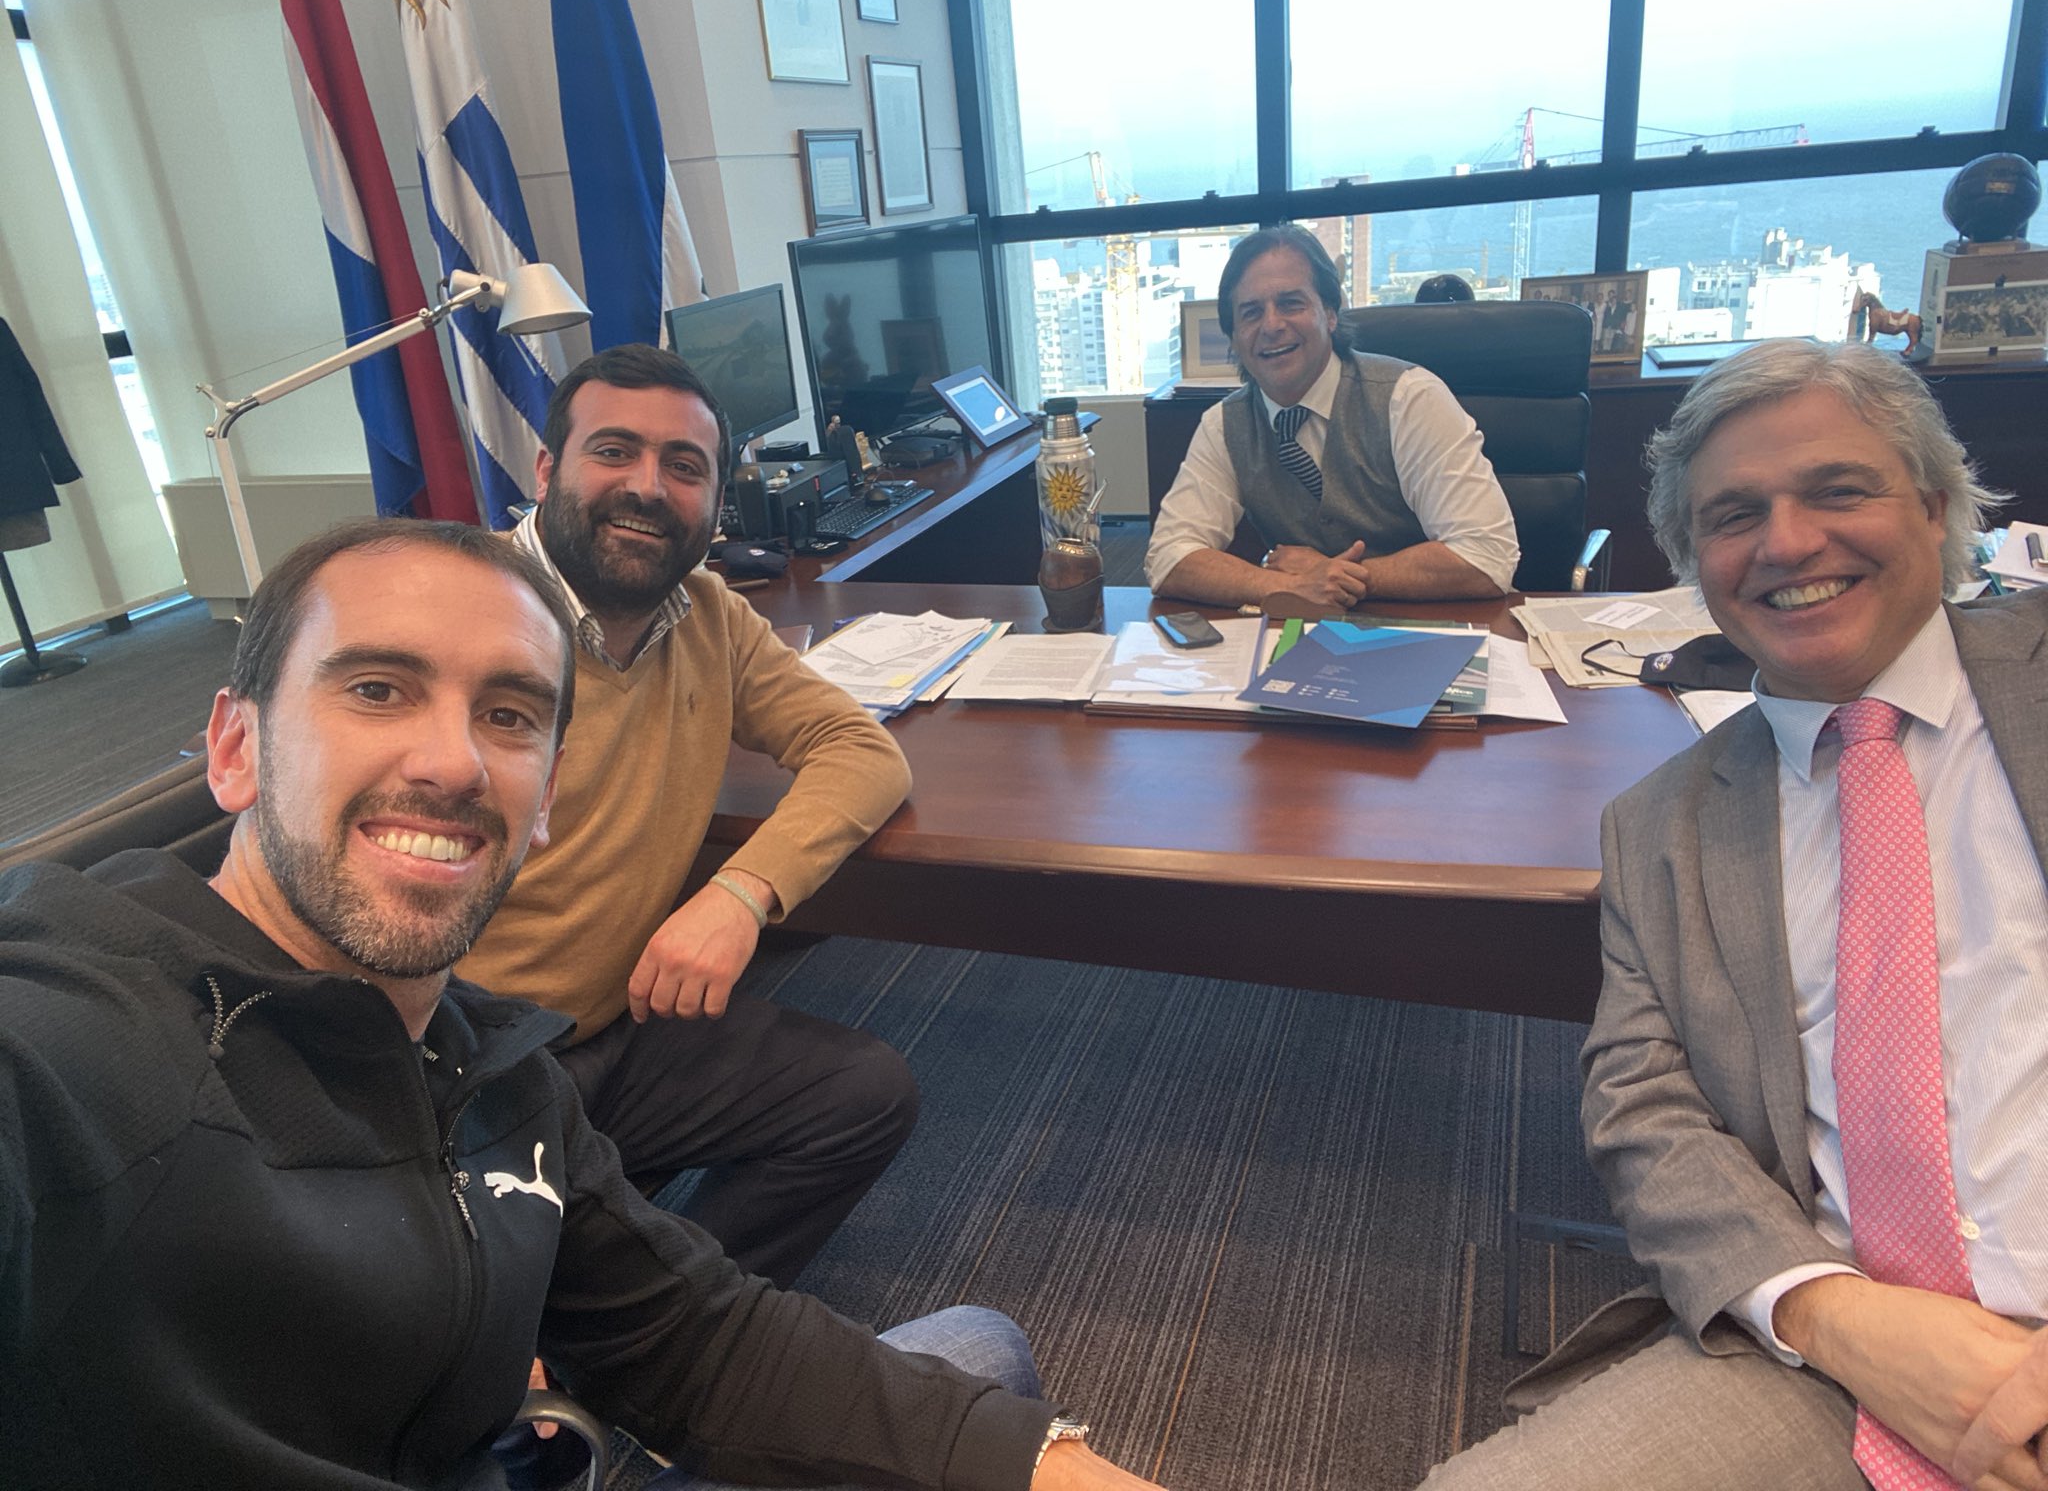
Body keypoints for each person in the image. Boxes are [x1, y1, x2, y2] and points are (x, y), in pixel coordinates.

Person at [0, 517, 1170, 1491]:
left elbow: (697, 1339)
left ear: (543, 794)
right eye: (376, 688)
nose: (453, 762)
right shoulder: (86, 1043)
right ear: (236, 748)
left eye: (508, 715)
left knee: (986, 1365)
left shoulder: (493, 1071)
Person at [1419, 338, 2047, 1491]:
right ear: (1693, 563)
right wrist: (1838, 1319)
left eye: (1836, 489)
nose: (1787, 543)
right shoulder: (1659, 827)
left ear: (1934, 504)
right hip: (1834, 1353)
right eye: (1733, 514)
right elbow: (1641, 1113)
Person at [457, 344, 916, 1290]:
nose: (647, 488)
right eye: (613, 451)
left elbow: (863, 751)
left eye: (684, 466)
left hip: (621, 1030)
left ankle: (650, 1321)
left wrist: (738, 895)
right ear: (547, 471)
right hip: (469, 1064)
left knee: (864, 1096)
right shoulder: (459, 613)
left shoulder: (706, 613)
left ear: (715, 500)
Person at [1144, 225, 1519, 610]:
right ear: (1235, 337)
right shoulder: (1225, 424)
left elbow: (1486, 556)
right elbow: (1168, 557)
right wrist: (1281, 586)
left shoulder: (1408, 398)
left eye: (1291, 303)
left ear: (1330, 313)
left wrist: (1339, 576)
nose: (1271, 325)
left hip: (1428, 629)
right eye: (1251, 313)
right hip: (1304, 638)